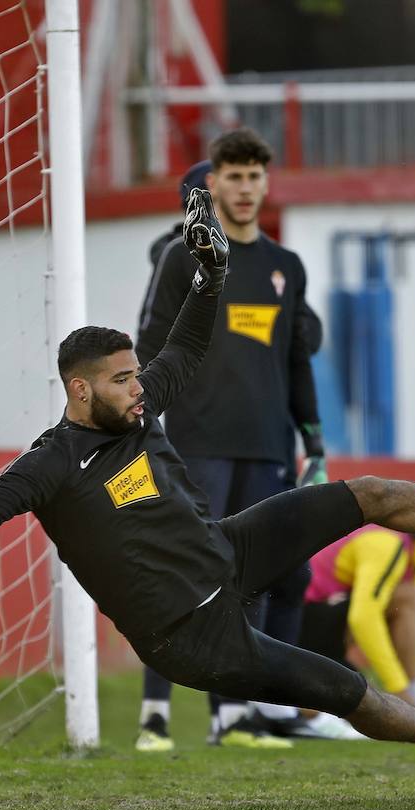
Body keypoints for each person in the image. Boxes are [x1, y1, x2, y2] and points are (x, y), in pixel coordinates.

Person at [0, 188, 415, 770]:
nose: (139, 389)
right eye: (121, 380)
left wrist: (210, 276)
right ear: (79, 390)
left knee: (370, 493)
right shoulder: (53, 460)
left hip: (229, 551)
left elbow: (185, 346)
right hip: (190, 635)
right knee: (346, 688)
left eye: (137, 375)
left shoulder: (137, 405)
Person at [132, 129, 326, 751]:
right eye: (232, 177)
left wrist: (313, 440)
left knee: (258, 577)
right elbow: (148, 345)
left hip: (269, 446)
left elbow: (299, 358)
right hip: (199, 441)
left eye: (254, 177)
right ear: (212, 183)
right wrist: (150, 425)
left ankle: (239, 715)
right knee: (196, 574)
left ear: (267, 184)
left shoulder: (285, 267)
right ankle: (156, 715)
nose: (244, 188)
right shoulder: (181, 257)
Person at [298, 527, 415, 733]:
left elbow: (405, 632)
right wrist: (398, 687)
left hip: (317, 624)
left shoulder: (410, 555)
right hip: (301, 623)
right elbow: (364, 618)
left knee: (356, 697)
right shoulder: (387, 544)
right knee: (405, 596)